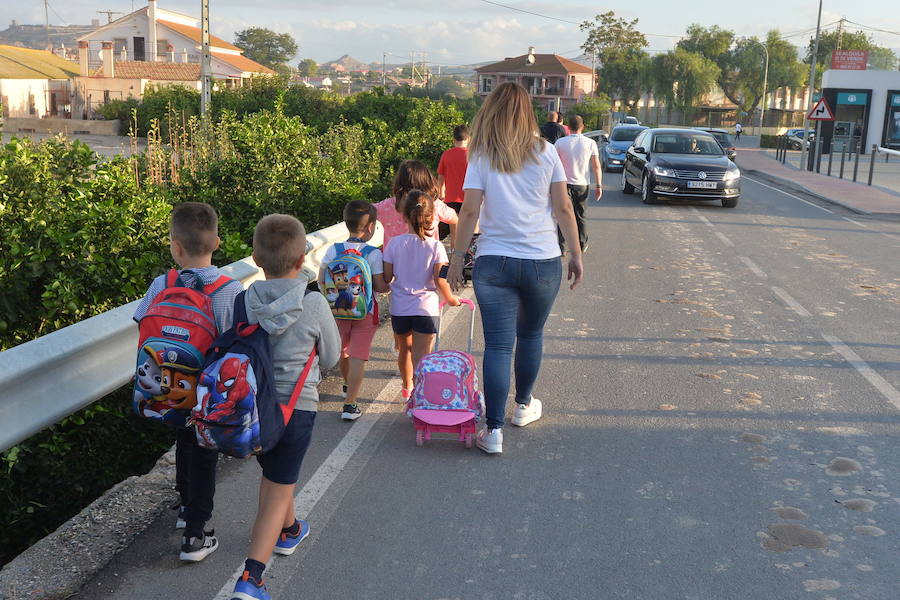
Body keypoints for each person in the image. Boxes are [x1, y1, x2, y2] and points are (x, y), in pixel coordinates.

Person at [448, 82, 583, 455]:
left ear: (491, 112)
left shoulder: (481, 156)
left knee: (498, 346)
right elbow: (563, 208)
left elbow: (470, 212)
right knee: (531, 336)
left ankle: (492, 432)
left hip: (494, 262)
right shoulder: (547, 152)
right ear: (528, 113)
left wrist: (457, 259)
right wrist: (575, 252)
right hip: (542, 261)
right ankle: (523, 406)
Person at [230, 214, 340, 600]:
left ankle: (290, 530)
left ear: (256, 259)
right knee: (276, 487)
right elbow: (330, 357)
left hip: (251, 410)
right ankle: (252, 578)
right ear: (301, 260)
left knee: (278, 475)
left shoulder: (243, 302)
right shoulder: (312, 303)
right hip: (297, 408)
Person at [133, 202, 243, 562]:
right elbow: (235, 340)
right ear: (218, 242)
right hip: (205, 393)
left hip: (166, 389)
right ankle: (198, 533)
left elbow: (142, 322)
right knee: (204, 452)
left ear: (175, 247)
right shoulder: (230, 289)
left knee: (182, 441)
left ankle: (185, 508)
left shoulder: (161, 283)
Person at [383, 190, 460, 400]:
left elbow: (388, 277)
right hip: (426, 308)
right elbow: (439, 280)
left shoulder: (394, 244)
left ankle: (407, 387)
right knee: (422, 356)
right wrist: (451, 299)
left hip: (400, 307)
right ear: (431, 218)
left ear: (405, 216)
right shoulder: (436, 247)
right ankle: (421, 395)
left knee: (405, 351)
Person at [318, 200, 389, 421]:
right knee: (359, 354)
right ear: (370, 227)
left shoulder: (333, 250)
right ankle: (350, 405)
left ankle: (347, 383)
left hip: (338, 309)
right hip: (365, 312)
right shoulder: (373, 254)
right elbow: (379, 286)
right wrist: (389, 284)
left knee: (344, 349)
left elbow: (322, 280)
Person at [374, 160, 458, 249]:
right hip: (428, 259)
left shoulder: (388, 205)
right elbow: (454, 219)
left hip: (394, 261)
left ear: (399, 182)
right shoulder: (433, 205)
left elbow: (363, 211)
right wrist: (455, 245)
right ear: (427, 180)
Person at [554, 114, 601, 254]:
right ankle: (582, 244)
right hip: (582, 184)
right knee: (581, 215)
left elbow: (553, 165)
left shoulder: (560, 143)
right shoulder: (590, 143)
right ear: (583, 126)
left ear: (568, 127)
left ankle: (561, 246)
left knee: (562, 215)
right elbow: (596, 166)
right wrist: (599, 185)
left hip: (563, 184)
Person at [436, 125, 469, 240]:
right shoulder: (472, 155)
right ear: (469, 138)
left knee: (452, 230)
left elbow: (441, 177)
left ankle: (454, 254)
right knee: (468, 231)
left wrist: (441, 194)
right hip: (469, 198)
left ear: (453, 139)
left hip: (450, 198)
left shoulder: (447, 154)